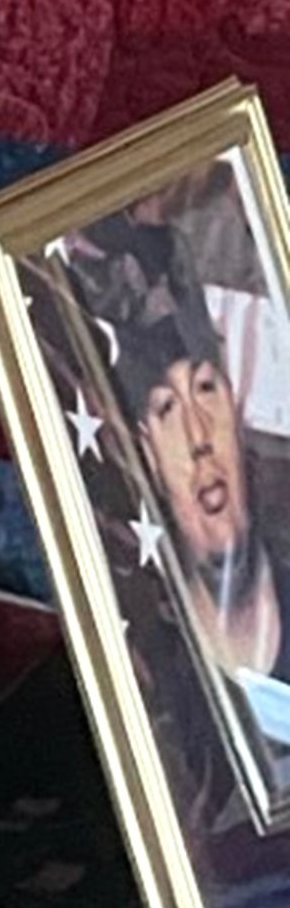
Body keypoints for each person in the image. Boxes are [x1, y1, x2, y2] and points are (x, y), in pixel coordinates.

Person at [78, 225, 290, 826]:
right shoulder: (146, 672)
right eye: (166, 409)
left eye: (205, 389)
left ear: (235, 409)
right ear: (146, 451)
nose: (198, 438)